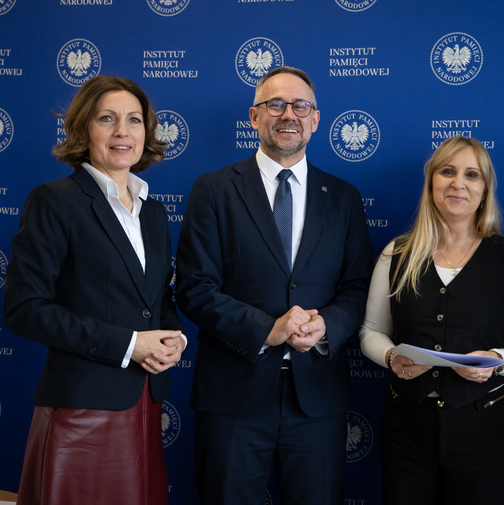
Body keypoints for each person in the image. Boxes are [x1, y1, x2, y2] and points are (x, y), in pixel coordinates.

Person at [176, 66, 372, 505]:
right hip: (233, 394)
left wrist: (326, 326)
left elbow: (359, 287)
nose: (289, 115)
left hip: (317, 397)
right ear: (254, 116)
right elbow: (194, 287)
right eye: (276, 104)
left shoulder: (343, 197)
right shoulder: (213, 190)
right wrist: (268, 329)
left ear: (315, 119)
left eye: (301, 106)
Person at [2, 75, 186, 505]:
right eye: (107, 119)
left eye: (134, 120)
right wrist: (129, 345)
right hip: (81, 410)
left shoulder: (154, 212)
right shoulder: (54, 200)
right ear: (84, 128)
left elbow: (156, 299)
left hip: (145, 403)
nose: (123, 131)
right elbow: (24, 308)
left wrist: (173, 337)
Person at [359, 136, 504, 505]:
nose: (458, 184)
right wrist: (391, 357)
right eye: (447, 172)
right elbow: (371, 332)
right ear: (432, 182)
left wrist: (499, 360)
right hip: (407, 426)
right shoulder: (395, 254)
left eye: (471, 175)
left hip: (485, 426)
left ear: (485, 190)